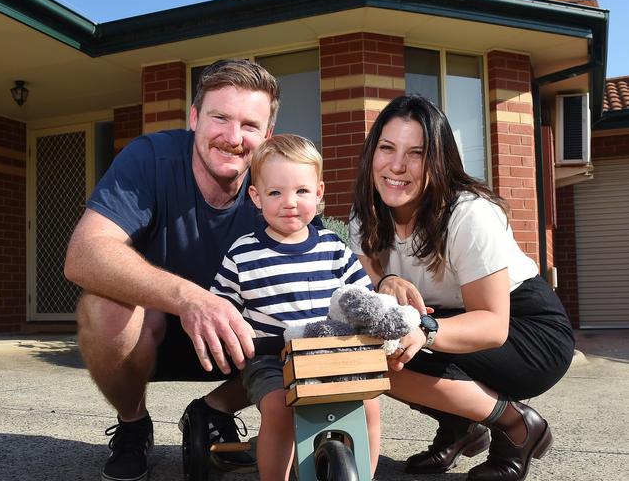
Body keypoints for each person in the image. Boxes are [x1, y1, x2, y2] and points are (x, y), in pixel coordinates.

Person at [64, 59, 281, 481]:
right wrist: (191, 299)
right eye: (220, 117)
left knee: (308, 321)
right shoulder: (150, 158)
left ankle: (214, 408)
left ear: (268, 135)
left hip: (241, 343)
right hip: (154, 336)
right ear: (195, 117)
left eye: (251, 126)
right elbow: (84, 254)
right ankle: (133, 424)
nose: (234, 138)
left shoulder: (278, 178)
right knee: (103, 308)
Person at [349, 94, 575, 481]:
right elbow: (371, 285)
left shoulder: (469, 213)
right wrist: (386, 280)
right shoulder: (366, 218)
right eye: (387, 148)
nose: (397, 165)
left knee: (391, 353)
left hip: (527, 331)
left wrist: (425, 330)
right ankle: (463, 427)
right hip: (446, 320)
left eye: (416, 153)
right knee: (367, 354)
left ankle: (517, 426)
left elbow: (492, 325)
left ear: (438, 160)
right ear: (372, 153)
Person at [210, 134, 381, 480]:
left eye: (301, 191)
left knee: (369, 404)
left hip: (329, 354)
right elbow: (220, 307)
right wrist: (232, 335)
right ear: (256, 198)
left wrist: (380, 319)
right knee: (279, 408)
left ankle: (363, 474)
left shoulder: (334, 247)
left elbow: (363, 298)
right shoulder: (244, 253)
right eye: (275, 192)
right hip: (271, 359)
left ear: (318, 194)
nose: (289, 202)